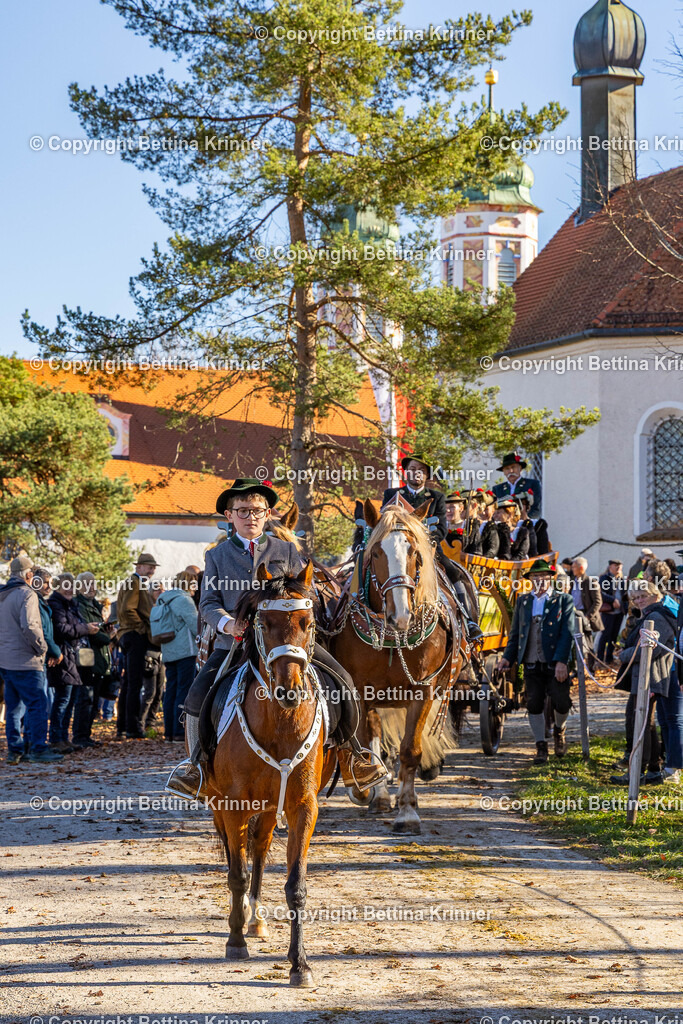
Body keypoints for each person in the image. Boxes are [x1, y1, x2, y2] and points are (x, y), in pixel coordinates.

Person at [166, 477, 388, 799]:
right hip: (236, 644)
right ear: (230, 516)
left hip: (288, 643)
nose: (251, 517)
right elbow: (209, 603)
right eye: (243, 511)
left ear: (268, 514)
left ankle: (354, 756)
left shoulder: (286, 550)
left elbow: (307, 591)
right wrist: (229, 624)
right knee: (197, 695)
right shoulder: (217, 556)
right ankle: (195, 767)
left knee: (343, 681)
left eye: (257, 510)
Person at [497, 559, 576, 764]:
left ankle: (559, 730)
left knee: (562, 702)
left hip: (555, 662)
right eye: (535, 576)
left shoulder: (563, 600)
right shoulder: (523, 601)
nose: (539, 580)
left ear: (550, 578)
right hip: (531, 661)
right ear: (530, 579)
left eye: (543, 576)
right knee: (533, 704)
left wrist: (562, 662)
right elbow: (515, 634)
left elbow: (567, 633)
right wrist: (507, 657)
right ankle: (541, 745)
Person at [610, 579, 677, 786]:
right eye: (635, 598)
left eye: (643, 596)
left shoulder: (657, 616)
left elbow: (650, 650)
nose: (639, 601)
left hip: (652, 677)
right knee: (645, 724)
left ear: (655, 595)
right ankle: (654, 769)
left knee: (638, 723)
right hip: (644, 676)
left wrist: (624, 655)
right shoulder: (649, 614)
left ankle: (638, 771)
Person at [0, 556, 62, 764]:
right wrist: (42, 648)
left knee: (13, 708)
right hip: (26, 660)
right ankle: (38, 748)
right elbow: (30, 626)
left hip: (6, 660)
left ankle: (15, 750)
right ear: (28, 575)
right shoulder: (27, 594)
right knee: (37, 705)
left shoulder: (3, 594)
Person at [48, 573, 100, 751]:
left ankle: (64, 738)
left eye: (71, 586)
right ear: (57, 587)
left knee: (70, 701)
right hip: (63, 656)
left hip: (74, 658)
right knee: (62, 700)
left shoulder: (71, 605)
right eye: (65, 586)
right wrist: (85, 628)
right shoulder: (56, 604)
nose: (69, 589)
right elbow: (62, 629)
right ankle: (56, 739)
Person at [116, 553, 158, 739]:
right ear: (139, 567)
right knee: (134, 683)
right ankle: (132, 728)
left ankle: (123, 727)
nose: (152, 570)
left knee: (128, 683)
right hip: (134, 635)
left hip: (129, 635)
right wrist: (141, 628)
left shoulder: (134, 582)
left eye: (153, 567)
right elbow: (128, 609)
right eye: (149, 566)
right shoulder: (135, 582)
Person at [156, 570, 200, 741]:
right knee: (184, 690)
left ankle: (168, 732)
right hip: (185, 652)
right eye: (194, 584)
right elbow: (196, 626)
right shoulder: (184, 600)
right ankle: (179, 731)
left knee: (170, 691)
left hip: (168, 650)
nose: (195, 588)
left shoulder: (163, 598)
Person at [74, 572, 114, 749]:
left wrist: (105, 631)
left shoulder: (95, 605)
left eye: (93, 584)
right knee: (85, 699)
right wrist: (108, 637)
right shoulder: (79, 605)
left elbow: (97, 629)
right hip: (86, 658)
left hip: (97, 658)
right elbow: (92, 632)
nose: (91, 587)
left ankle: (86, 735)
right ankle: (80, 736)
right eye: (87, 584)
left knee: (93, 699)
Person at [570, 558, 604, 669]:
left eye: (574, 567)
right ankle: (577, 669)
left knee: (588, 645)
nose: (572, 569)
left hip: (585, 616)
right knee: (575, 644)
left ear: (581, 568)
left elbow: (598, 602)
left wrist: (587, 617)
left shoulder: (591, 582)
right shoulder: (572, 581)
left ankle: (591, 668)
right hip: (574, 615)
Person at [491, 452, 542, 518]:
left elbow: (536, 508)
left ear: (520, 468)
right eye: (507, 468)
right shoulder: (497, 489)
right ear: (504, 472)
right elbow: (494, 509)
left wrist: (526, 520)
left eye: (513, 467)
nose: (511, 471)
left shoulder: (532, 484)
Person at [596, 560, 625, 665]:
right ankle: (600, 659)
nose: (618, 568)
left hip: (619, 612)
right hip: (608, 611)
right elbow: (600, 593)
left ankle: (609, 658)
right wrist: (613, 600)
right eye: (616, 565)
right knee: (605, 635)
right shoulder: (604, 578)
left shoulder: (621, 579)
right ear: (610, 567)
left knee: (614, 636)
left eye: (620, 566)